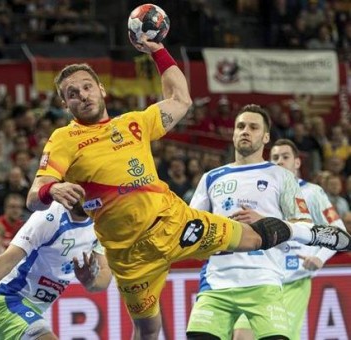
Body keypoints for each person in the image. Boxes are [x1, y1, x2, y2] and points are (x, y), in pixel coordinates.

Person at [25, 34, 351, 339]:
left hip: (176, 223)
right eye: (72, 93)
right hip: (130, 255)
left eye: (87, 87)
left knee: (253, 238)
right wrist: (50, 190)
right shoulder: (64, 139)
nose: (82, 95)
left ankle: (311, 234)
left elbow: (180, 99)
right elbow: (33, 197)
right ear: (65, 104)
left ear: (101, 89)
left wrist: (157, 51)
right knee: (149, 330)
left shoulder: (133, 124)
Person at [185, 105, 312, 339]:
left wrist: (268, 223)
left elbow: (307, 227)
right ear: (233, 133)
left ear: (265, 137)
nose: (245, 131)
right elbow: (190, 228)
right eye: (240, 126)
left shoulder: (282, 176)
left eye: (253, 127)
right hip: (216, 284)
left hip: (264, 282)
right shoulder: (211, 177)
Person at [0, 202, 112, 340]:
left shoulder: (99, 224)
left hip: (35, 309)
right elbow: (8, 259)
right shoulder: (50, 216)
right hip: (6, 301)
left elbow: (104, 278)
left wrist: (89, 281)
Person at [233, 138, 346, 340]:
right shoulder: (263, 193)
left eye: (285, 157)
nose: (280, 161)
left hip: (294, 281)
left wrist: (320, 258)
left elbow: (338, 230)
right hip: (262, 279)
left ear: (297, 162)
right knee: (241, 335)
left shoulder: (312, 192)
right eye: (275, 157)